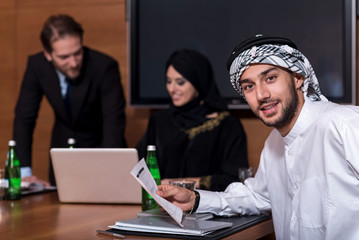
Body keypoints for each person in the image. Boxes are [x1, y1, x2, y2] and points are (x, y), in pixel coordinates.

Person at [157, 35, 359, 239]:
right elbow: (257, 197)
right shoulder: (273, 143)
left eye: (270, 78)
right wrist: (195, 199)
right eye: (249, 86)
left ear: (298, 78)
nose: (261, 95)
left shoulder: (343, 125)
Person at [13, 14, 127, 186]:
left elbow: (114, 122)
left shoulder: (104, 67)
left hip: (100, 151)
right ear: (48, 54)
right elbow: (24, 119)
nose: (73, 63)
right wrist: (23, 173)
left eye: (77, 53)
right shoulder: (37, 66)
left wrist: (107, 170)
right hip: (62, 157)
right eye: (64, 57)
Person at [137, 49, 249, 191]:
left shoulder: (228, 126)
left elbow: (234, 179)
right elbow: (139, 167)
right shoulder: (159, 121)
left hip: (209, 208)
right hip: (161, 207)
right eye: (168, 81)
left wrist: (176, 184)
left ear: (199, 81)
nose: (172, 89)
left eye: (180, 82)